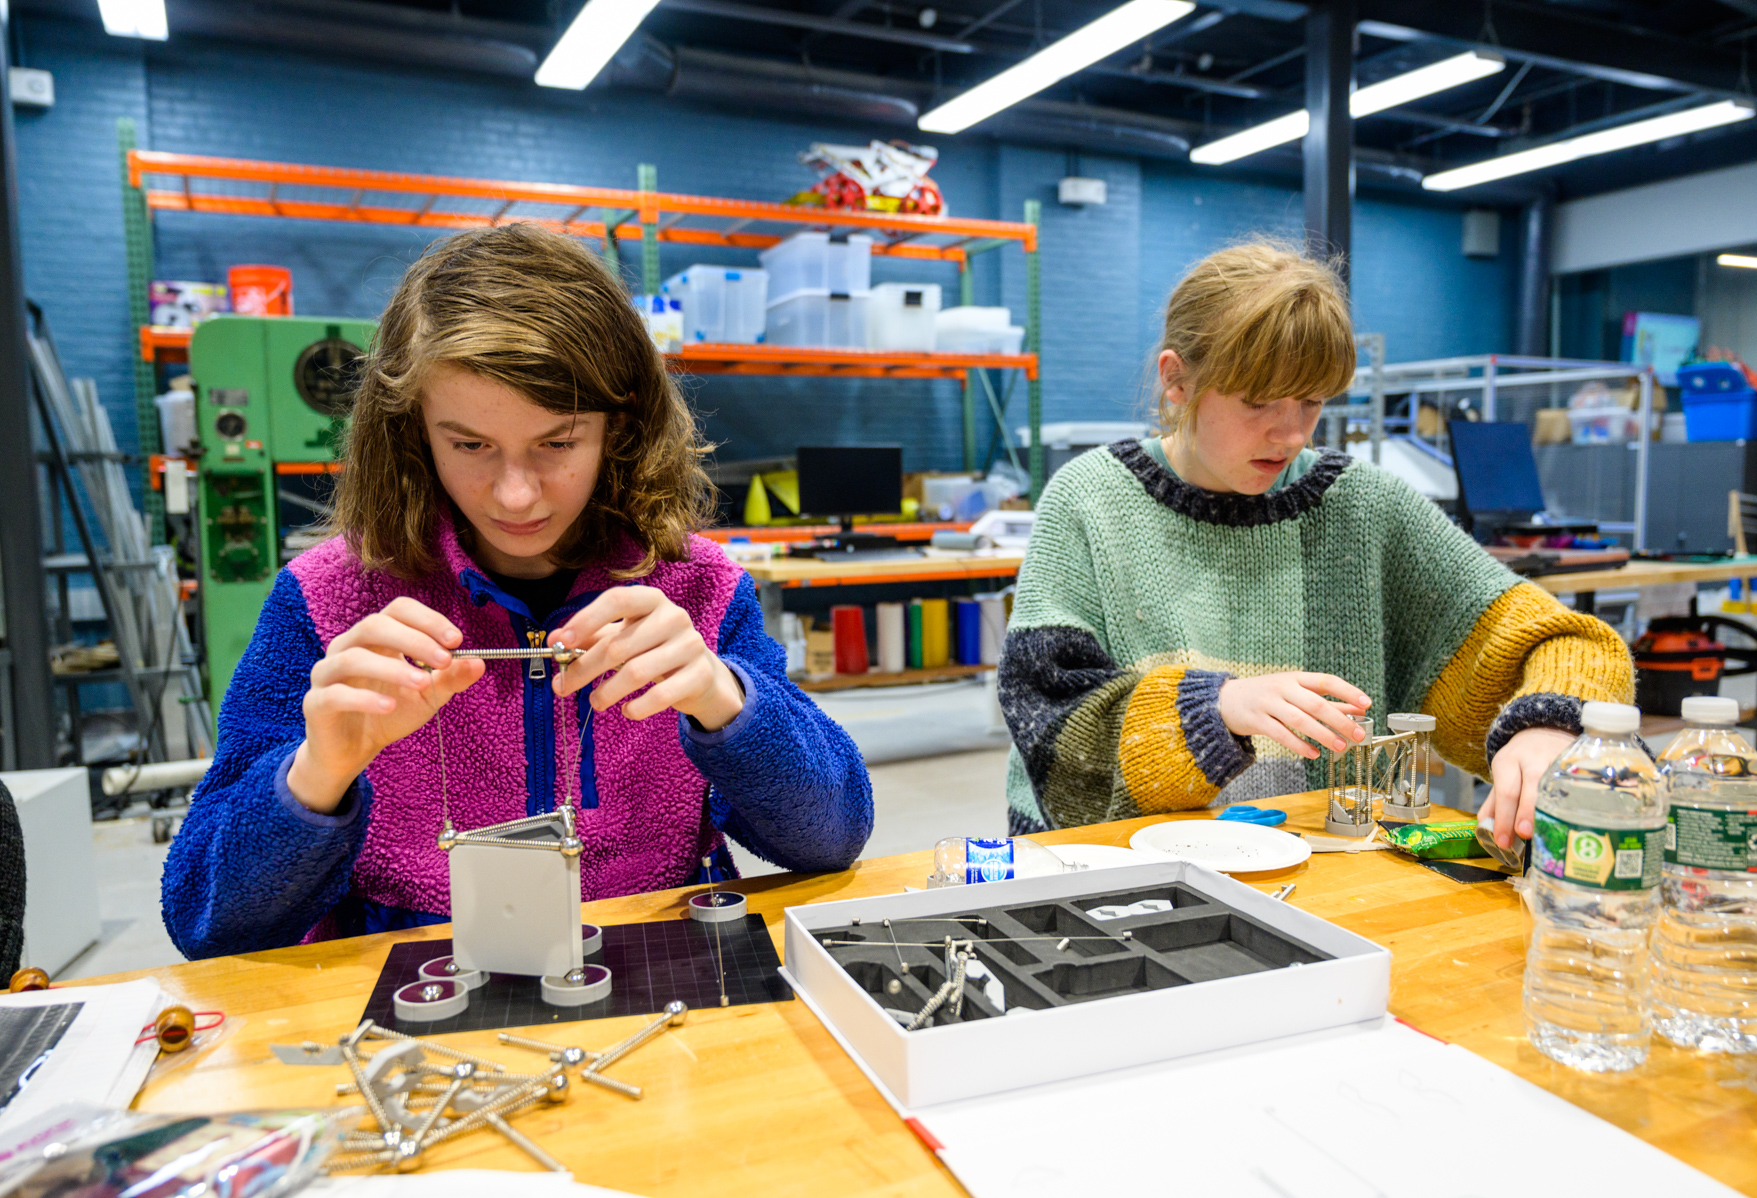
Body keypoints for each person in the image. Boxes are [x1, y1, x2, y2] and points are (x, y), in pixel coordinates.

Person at [162, 224, 872, 960]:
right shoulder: (325, 601)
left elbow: (834, 837)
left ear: (619, 428)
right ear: (413, 432)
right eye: (469, 444)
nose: (515, 493)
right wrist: (316, 776)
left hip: (660, 977)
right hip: (411, 991)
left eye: (557, 443)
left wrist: (728, 704)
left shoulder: (702, 589)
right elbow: (203, 922)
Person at [997, 241, 1631, 845]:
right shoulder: (1088, 501)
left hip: (1322, 865)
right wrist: (1213, 708)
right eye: (1258, 402)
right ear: (1176, 380)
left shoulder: (1360, 504)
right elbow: (1053, 733)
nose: (1291, 433)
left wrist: (1551, 722)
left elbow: (1564, 643)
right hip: (1116, 870)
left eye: (1310, 402)